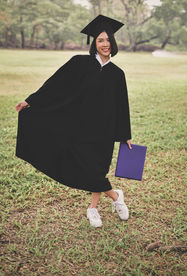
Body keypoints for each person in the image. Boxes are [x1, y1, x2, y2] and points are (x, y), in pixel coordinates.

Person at [15, 15, 132, 228]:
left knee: (98, 169)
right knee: (87, 167)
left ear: (113, 43)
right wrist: (31, 101)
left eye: (108, 40)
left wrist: (124, 135)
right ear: (94, 43)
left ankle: (93, 208)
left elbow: (122, 105)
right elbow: (55, 86)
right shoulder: (79, 63)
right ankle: (116, 197)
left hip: (104, 131)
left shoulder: (117, 74)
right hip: (79, 127)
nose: (105, 44)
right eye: (100, 40)